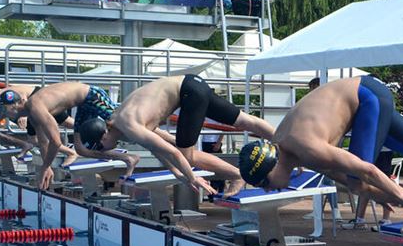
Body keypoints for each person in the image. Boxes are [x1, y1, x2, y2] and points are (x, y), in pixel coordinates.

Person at [238, 75, 403, 234]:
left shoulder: (306, 148)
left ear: (273, 167)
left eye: (266, 184)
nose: (269, 191)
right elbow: (343, 176)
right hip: (367, 92)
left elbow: (367, 170)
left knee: (357, 180)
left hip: (366, 97)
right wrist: (385, 193)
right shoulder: (285, 147)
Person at [78, 75, 276, 196]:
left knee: (187, 155)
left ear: (103, 137)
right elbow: (157, 148)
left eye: (102, 148)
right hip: (193, 83)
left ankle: (237, 176)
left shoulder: (129, 126)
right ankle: (286, 146)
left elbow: (173, 153)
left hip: (188, 95)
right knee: (245, 121)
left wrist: (191, 178)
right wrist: (178, 174)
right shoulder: (120, 115)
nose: (106, 150)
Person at [0, 83, 138, 189]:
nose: (7, 113)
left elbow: (56, 142)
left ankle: (158, 134)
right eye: (4, 109)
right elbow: (43, 143)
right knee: (81, 149)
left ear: (20, 103)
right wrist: (46, 167)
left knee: (128, 124)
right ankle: (128, 158)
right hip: (83, 104)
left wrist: (45, 166)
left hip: (92, 95)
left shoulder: (35, 107)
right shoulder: (32, 114)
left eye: (8, 109)